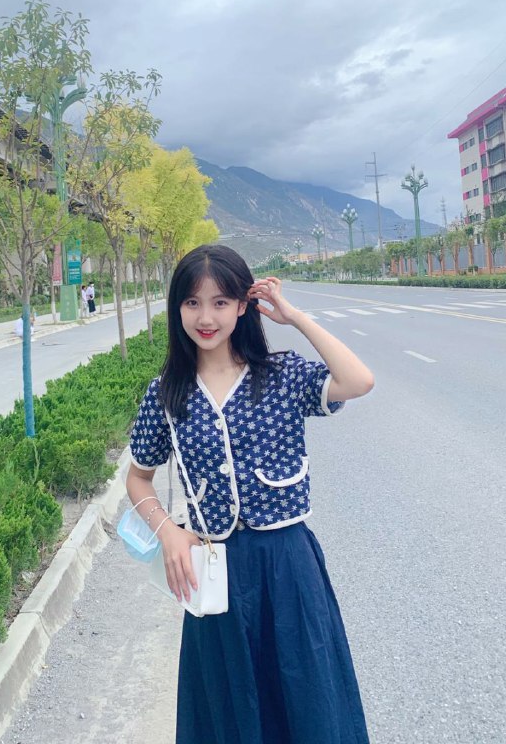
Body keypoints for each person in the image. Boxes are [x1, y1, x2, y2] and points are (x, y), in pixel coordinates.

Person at [126, 244, 374, 744]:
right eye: (192, 302)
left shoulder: (280, 376)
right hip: (214, 570)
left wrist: (294, 317)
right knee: (229, 708)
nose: (206, 317)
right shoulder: (167, 393)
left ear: (243, 305)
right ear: (177, 308)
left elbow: (358, 380)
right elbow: (138, 478)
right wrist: (168, 532)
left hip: (287, 566)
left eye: (220, 302)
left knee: (306, 700)